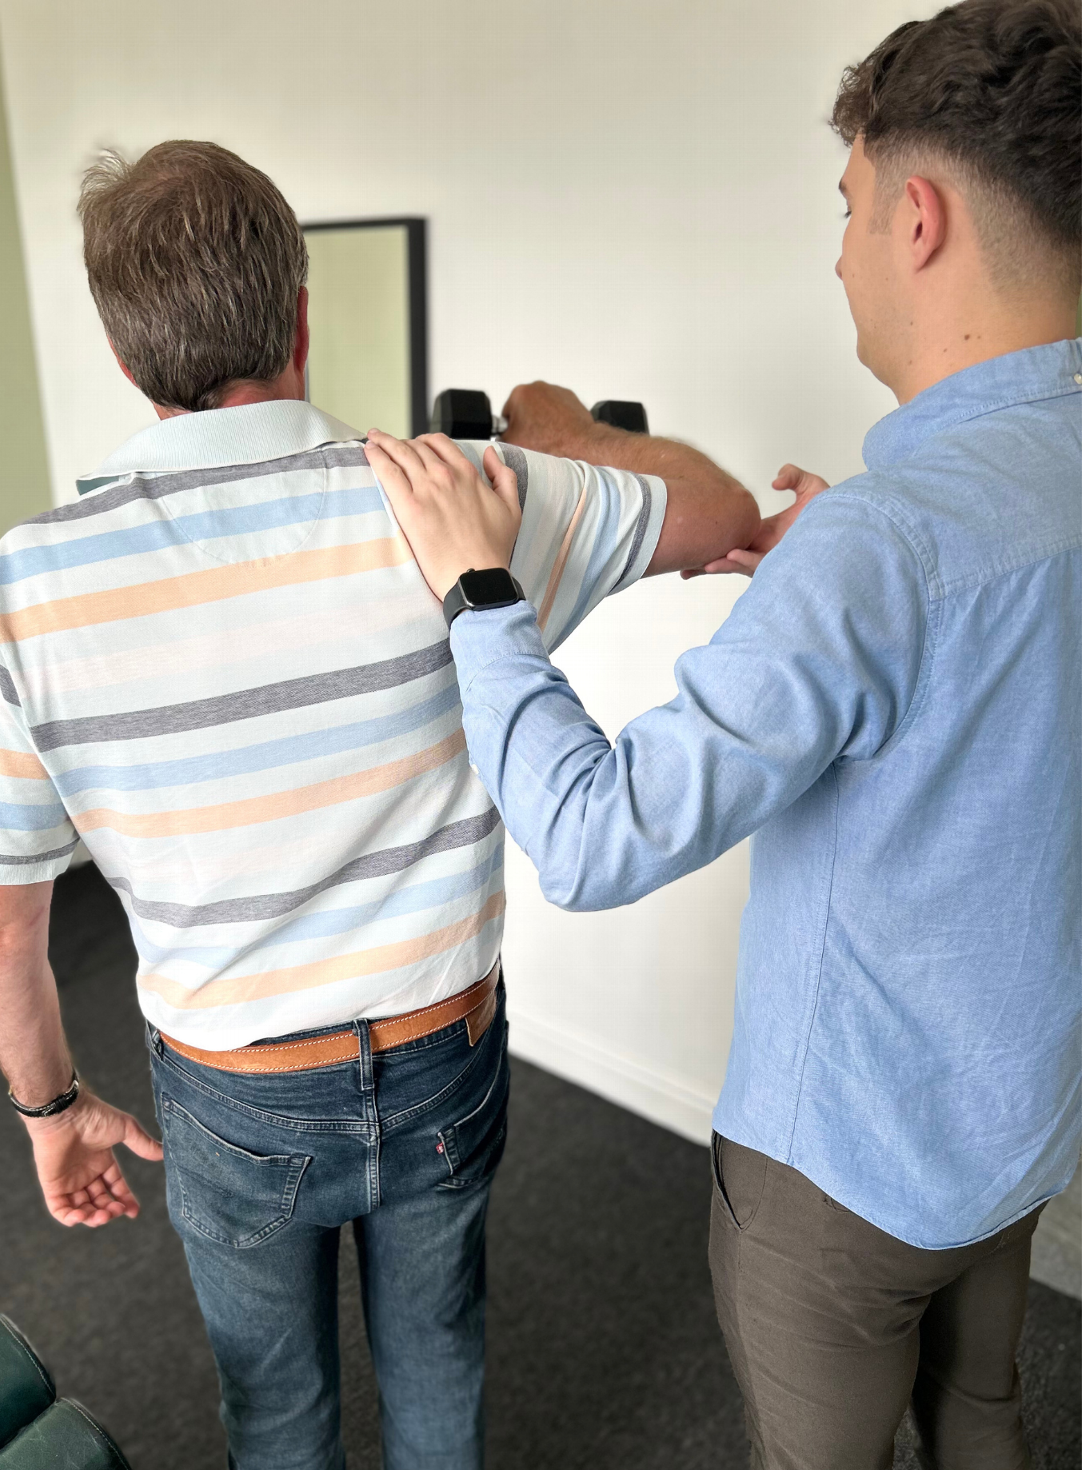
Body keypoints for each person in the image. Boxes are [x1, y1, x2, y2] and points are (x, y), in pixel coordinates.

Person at [0, 141, 758, 1469]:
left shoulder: (29, 584)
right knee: (438, 1346)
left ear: (123, 351)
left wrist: (54, 1114)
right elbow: (720, 509)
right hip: (442, 1052)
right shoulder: (466, 490)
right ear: (299, 312)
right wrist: (560, 436)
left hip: (232, 1094)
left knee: (275, 1407)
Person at [365, 2, 1081, 1466]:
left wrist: (478, 590)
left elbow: (589, 836)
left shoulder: (886, 550)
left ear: (920, 217)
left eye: (848, 208)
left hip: (845, 1168)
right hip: (1023, 1121)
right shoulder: (920, 537)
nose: (837, 250)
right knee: (984, 1422)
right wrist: (840, 581)